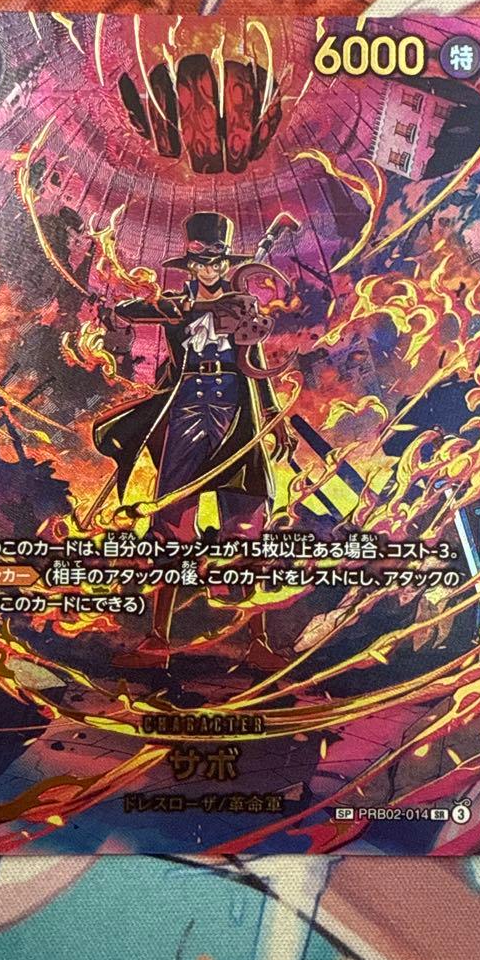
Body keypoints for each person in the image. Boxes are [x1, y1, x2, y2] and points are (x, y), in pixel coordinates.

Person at [93, 212, 295, 670]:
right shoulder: (174, 306)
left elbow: (254, 363)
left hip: (235, 413)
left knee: (246, 522)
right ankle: (157, 640)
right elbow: (131, 311)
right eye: (200, 262)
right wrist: (176, 310)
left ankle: (257, 641)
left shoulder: (242, 307)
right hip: (186, 412)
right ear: (190, 265)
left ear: (226, 264)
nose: (209, 269)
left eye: (216, 262)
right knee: (171, 520)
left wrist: (271, 414)